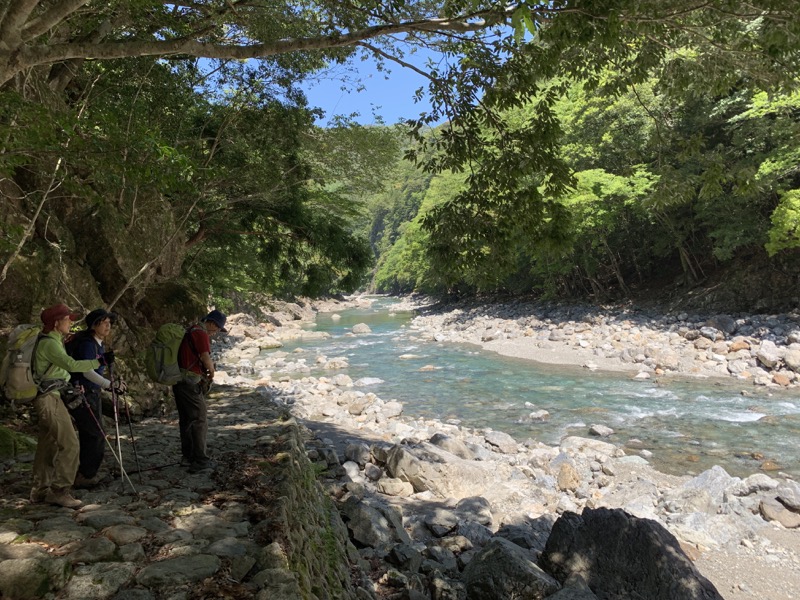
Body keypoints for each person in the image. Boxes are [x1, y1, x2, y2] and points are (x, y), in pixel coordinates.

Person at [30, 303, 114, 508]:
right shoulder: (49, 343)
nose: (71, 322)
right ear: (57, 323)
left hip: (49, 396)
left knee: (47, 446)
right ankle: (59, 491)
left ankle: (40, 490)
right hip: (50, 398)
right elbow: (72, 365)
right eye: (68, 319)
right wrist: (99, 361)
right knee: (70, 443)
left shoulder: (54, 341)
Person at [66, 308, 127, 488]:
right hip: (83, 392)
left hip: (91, 392)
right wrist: (110, 385)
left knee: (95, 432)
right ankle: (85, 475)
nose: (109, 326)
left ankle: (87, 472)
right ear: (94, 325)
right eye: (104, 323)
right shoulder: (87, 344)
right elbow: (86, 370)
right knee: (93, 433)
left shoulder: (96, 343)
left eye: (110, 323)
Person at [173, 309, 227, 473]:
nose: (216, 333)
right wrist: (211, 371)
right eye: (217, 328)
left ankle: (187, 457)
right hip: (190, 382)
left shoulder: (191, 330)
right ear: (211, 323)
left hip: (179, 380)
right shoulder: (201, 333)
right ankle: (200, 460)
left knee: (186, 419)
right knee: (200, 418)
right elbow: (205, 357)